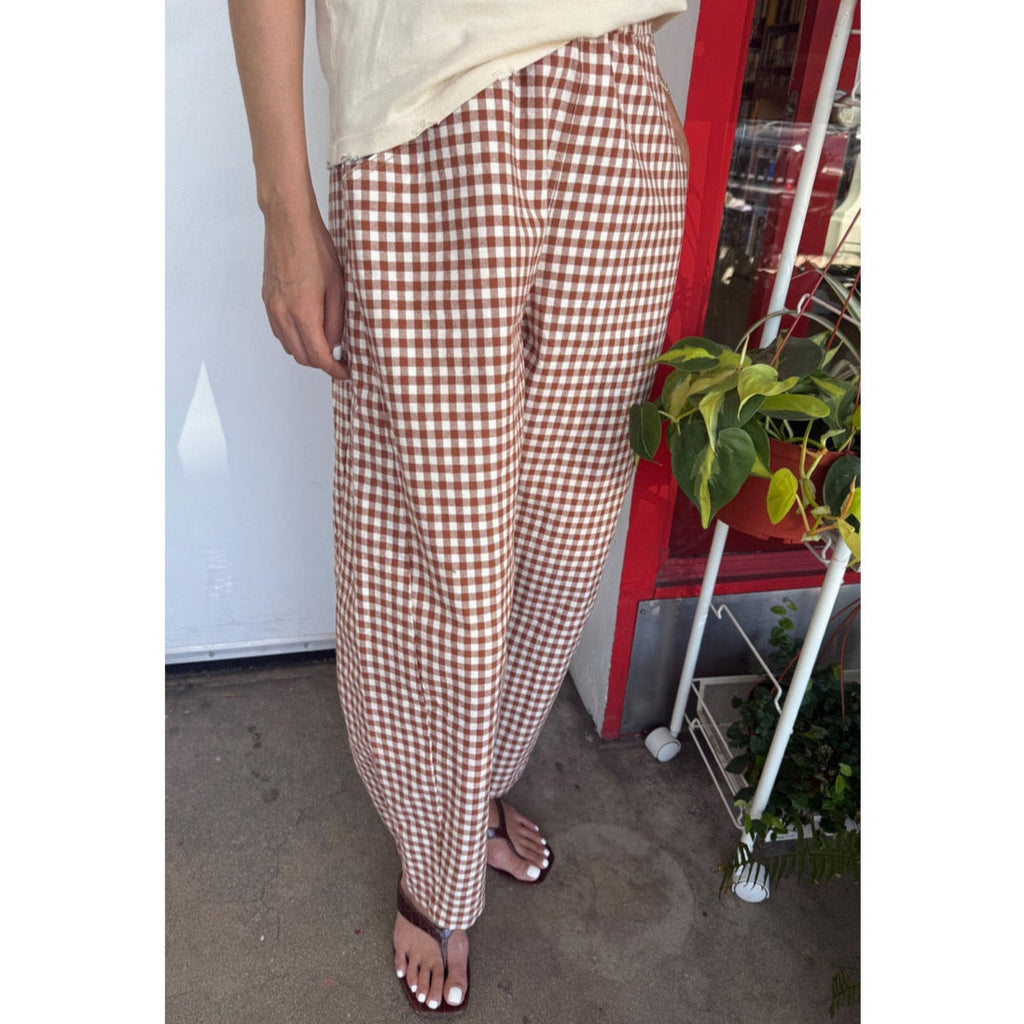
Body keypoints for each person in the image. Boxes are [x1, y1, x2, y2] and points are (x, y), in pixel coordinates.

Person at [228, 0, 690, 1013]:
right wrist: (284, 208)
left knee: (565, 528)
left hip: (618, 95)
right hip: (427, 112)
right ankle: (432, 865)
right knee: (436, 546)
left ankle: (469, 787)